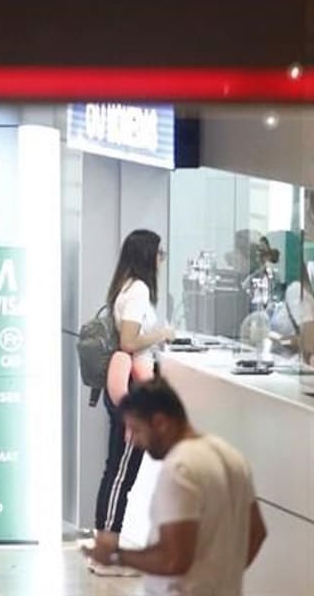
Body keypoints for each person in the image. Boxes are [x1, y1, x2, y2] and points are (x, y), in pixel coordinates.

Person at [85, 378, 267, 595]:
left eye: (138, 430)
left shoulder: (180, 468)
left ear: (160, 422)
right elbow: (257, 533)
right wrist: (222, 578)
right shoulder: (231, 456)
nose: (136, 441)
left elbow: (173, 560)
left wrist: (116, 555)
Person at [90, 228, 176, 576]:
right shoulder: (138, 290)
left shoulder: (124, 286)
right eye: (160, 253)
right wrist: (164, 334)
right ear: (147, 256)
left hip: (125, 386)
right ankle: (106, 553)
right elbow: (129, 341)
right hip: (132, 391)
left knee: (118, 469)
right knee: (122, 471)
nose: (161, 260)